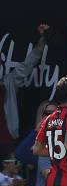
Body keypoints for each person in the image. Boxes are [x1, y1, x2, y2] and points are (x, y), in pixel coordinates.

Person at [0, 24, 50, 156]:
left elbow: (29, 62)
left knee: (11, 175)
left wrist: (43, 36)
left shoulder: (7, 83)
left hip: (7, 142)